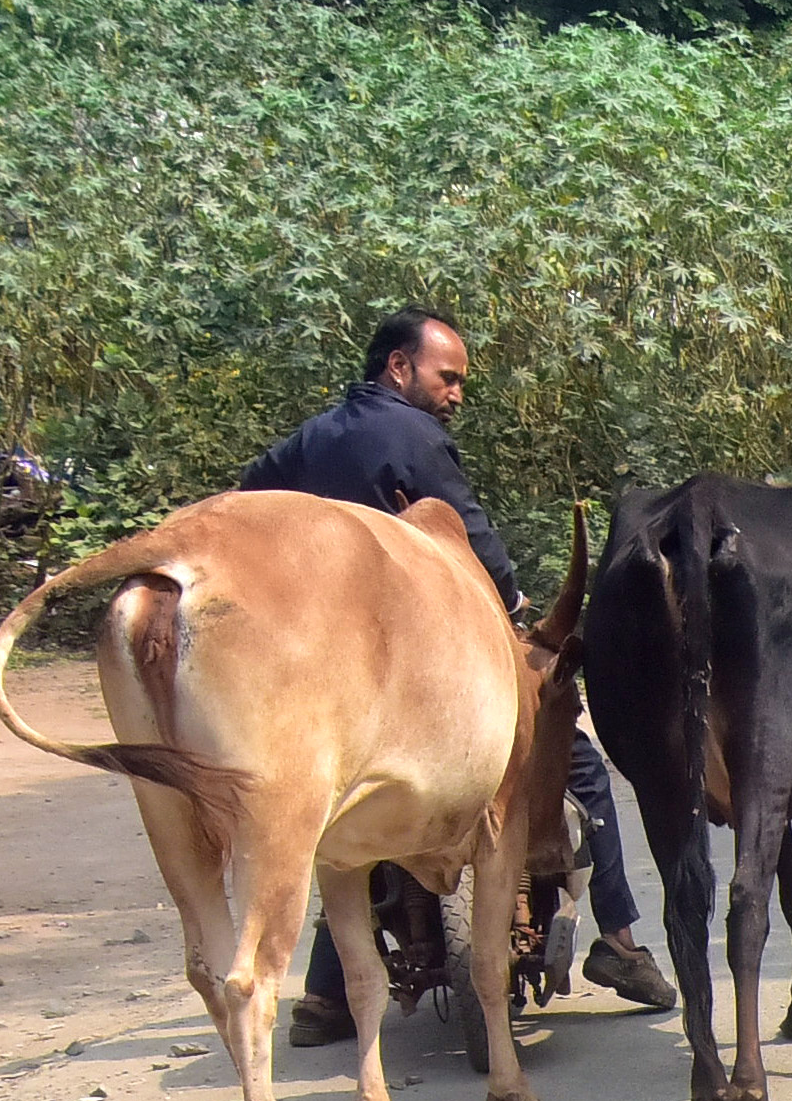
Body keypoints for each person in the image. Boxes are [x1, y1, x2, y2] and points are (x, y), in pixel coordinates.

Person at [246, 306, 675, 1046]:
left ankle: (324, 995)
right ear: (399, 368)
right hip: (419, 661)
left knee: (346, 802)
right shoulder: (411, 434)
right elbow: (468, 532)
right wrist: (514, 602)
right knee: (576, 758)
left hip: (334, 672)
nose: (457, 394)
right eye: (448, 377)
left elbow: (245, 505)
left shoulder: (307, 442)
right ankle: (619, 940)